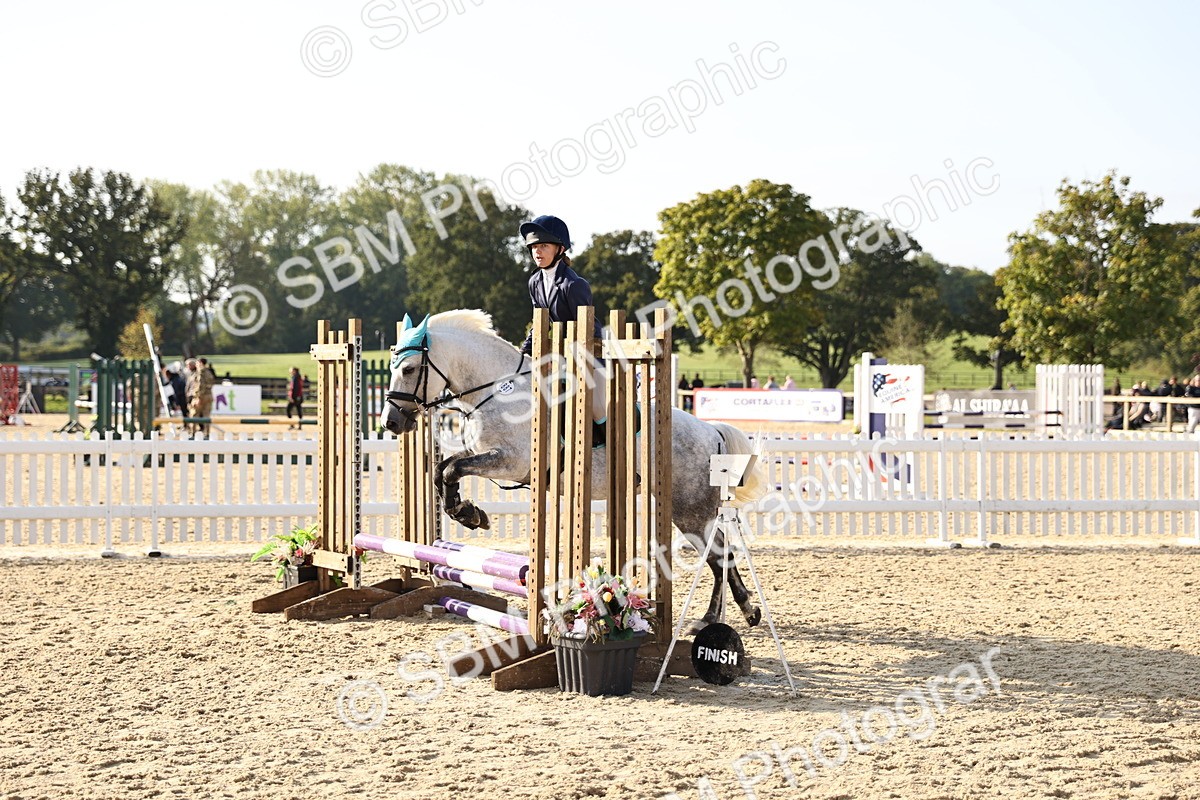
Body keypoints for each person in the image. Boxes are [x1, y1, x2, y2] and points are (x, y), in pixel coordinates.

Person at [517, 214, 605, 423]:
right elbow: (539, 323)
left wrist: (566, 361)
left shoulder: (574, 285)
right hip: (557, 358)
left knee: (598, 410)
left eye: (544, 246)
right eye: (534, 247)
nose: (537, 252)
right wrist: (522, 354)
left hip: (588, 357)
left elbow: (589, 329)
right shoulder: (534, 282)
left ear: (560, 249)